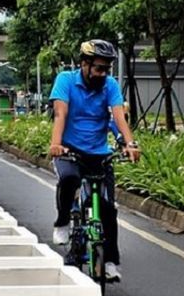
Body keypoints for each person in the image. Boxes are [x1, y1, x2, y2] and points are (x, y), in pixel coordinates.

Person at [49, 39, 141, 281]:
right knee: (69, 179)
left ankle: (110, 261)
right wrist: (56, 144)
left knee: (109, 211)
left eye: (106, 69)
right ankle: (62, 222)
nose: (102, 74)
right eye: (98, 68)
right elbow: (61, 113)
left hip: (99, 153)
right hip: (69, 150)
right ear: (84, 64)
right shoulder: (66, 80)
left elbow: (118, 116)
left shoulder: (109, 85)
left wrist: (130, 144)